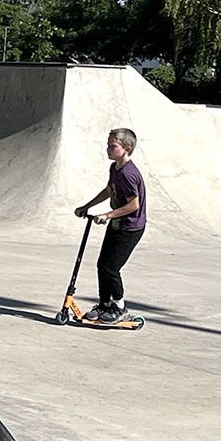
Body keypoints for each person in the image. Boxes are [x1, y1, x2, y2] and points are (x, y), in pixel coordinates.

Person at [73, 127, 147, 324]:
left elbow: (134, 204)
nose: (107, 149)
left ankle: (120, 307)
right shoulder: (115, 168)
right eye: (108, 145)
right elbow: (109, 190)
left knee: (112, 268)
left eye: (112, 146)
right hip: (117, 223)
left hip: (130, 227)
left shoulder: (129, 173)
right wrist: (87, 206)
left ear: (127, 149)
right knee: (102, 266)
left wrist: (107, 214)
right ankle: (105, 304)